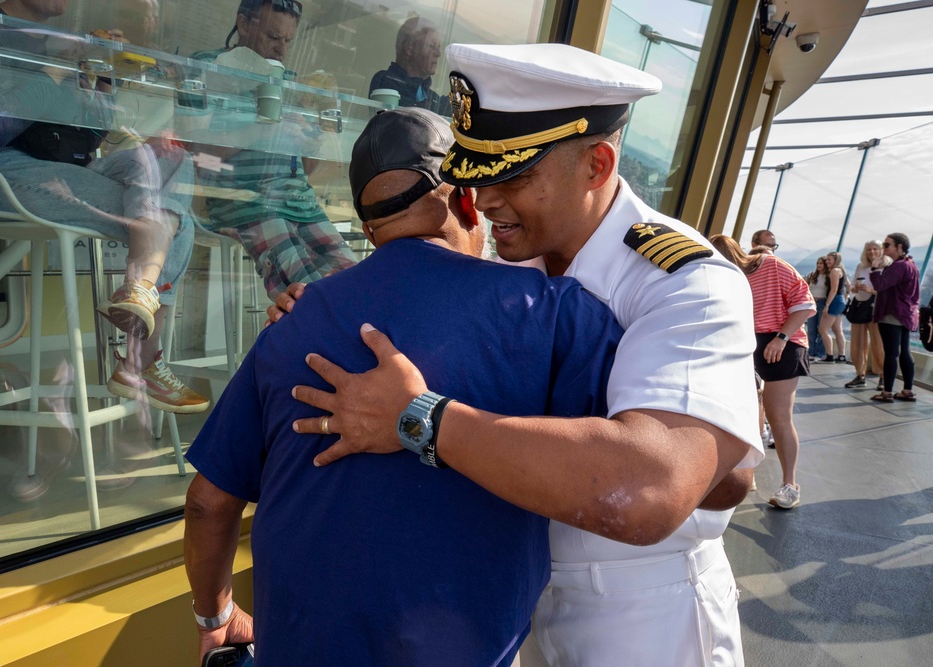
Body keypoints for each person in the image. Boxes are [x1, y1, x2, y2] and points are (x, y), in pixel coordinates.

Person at [287, 43, 763, 666]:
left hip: (642, 615)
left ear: (596, 165)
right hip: (517, 597)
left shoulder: (684, 282)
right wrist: (324, 317)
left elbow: (651, 489)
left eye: (511, 174)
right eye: (476, 173)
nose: (483, 200)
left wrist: (421, 418)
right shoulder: (515, 264)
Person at [183, 108, 624, 665]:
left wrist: (215, 616)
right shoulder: (554, 313)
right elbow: (628, 471)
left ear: (369, 231)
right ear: (467, 201)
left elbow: (207, 504)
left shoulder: (295, 322)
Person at [0, 0, 208, 413]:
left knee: (171, 158)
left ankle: (141, 291)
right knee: (174, 220)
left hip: (55, 167)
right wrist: (60, 67)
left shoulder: (54, 40)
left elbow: (87, 137)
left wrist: (100, 78)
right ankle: (143, 358)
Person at [188, 0, 358, 300]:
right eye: (272, 36)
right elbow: (198, 156)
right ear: (243, 23)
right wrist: (264, 128)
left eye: (288, 40)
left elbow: (306, 170)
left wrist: (311, 141)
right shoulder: (211, 67)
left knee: (355, 278)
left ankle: (337, 340)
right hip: (247, 202)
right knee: (309, 291)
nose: (281, 48)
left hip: (300, 204)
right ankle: (314, 342)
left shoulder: (291, 83)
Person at [710, 235, 814, 510]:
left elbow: (804, 304)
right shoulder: (731, 278)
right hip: (751, 343)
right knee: (748, 412)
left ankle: (790, 484)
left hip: (784, 343)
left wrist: (780, 338)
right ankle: (748, 474)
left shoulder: (772, 265)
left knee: (778, 416)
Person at [870, 233, 921, 403]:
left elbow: (880, 285)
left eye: (887, 245)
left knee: (891, 353)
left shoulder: (899, 266)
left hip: (893, 312)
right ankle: (908, 390)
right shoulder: (910, 264)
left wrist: (876, 267)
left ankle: (887, 393)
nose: (884, 248)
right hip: (906, 313)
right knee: (904, 352)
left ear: (899, 247)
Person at [369, 16, 451, 116]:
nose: (438, 53)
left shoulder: (432, 98)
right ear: (409, 48)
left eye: (438, 47)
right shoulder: (385, 80)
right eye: (431, 46)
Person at [845, 241, 889, 390]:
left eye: (875, 249)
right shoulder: (861, 266)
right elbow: (851, 287)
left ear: (881, 250)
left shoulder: (887, 267)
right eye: (869, 249)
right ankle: (860, 375)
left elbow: (888, 291)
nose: (872, 252)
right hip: (860, 307)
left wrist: (871, 291)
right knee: (858, 343)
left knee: (879, 344)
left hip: (877, 309)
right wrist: (856, 288)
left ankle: (883, 376)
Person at [819, 251, 848, 363]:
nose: (827, 262)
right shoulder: (842, 270)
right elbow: (848, 286)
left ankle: (829, 355)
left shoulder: (835, 271)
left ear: (836, 260)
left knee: (823, 329)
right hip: (840, 300)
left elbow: (834, 290)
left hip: (834, 301)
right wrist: (846, 296)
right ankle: (842, 356)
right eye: (826, 260)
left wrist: (827, 305)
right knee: (837, 329)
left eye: (829, 260)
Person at [805, 257, 828, 360]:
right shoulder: (811, 276)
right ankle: (811, 352)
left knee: (821, 329)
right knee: (811, 328)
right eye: (818, 263)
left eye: (821, 263)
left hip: (822, 302)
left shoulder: (828, 277)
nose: (819, 265)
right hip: (813, 302)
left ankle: (819, 353)